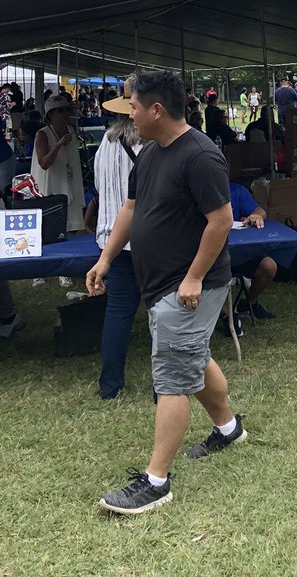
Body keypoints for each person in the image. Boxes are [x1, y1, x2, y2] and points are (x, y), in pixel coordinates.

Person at [86, 69, 244, 515]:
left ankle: (156, 482)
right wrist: (105, 259)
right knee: (191, 355)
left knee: (172, 376)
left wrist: (193, 277)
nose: (129, 113)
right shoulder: (151, 152)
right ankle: (229, 428)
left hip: (191, 285)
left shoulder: (201, 156)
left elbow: (221, 220)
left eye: (133, 106)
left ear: (156, 109)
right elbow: (131, 209)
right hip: (159, 283)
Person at [81, 77, 144, 399]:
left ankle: (110, 385)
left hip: (110, 239)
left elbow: (99, 188)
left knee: (118, 313)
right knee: (162, 311)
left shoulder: (106, 141)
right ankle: (167, 385)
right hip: (145, 239)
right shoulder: (147, 143)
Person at [30, 93, 85, 289]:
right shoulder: (42, 134)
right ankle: (38, 271)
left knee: (67, 229)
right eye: (60, 110)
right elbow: (44, 163)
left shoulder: (70, 130)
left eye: (66, 110)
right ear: (51, 114)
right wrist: (60, 144)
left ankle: (64, 271)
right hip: (48, 185)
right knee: (45, 230)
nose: (65, 114)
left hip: (66, 183)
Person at [228, 181, 277, 324]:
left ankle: (249, 304)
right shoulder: (197, 191)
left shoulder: (236, 190)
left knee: (269, 266)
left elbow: (261, 211)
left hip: (238, 251)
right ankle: (223, 315)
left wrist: (255, 216)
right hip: (210, 254)